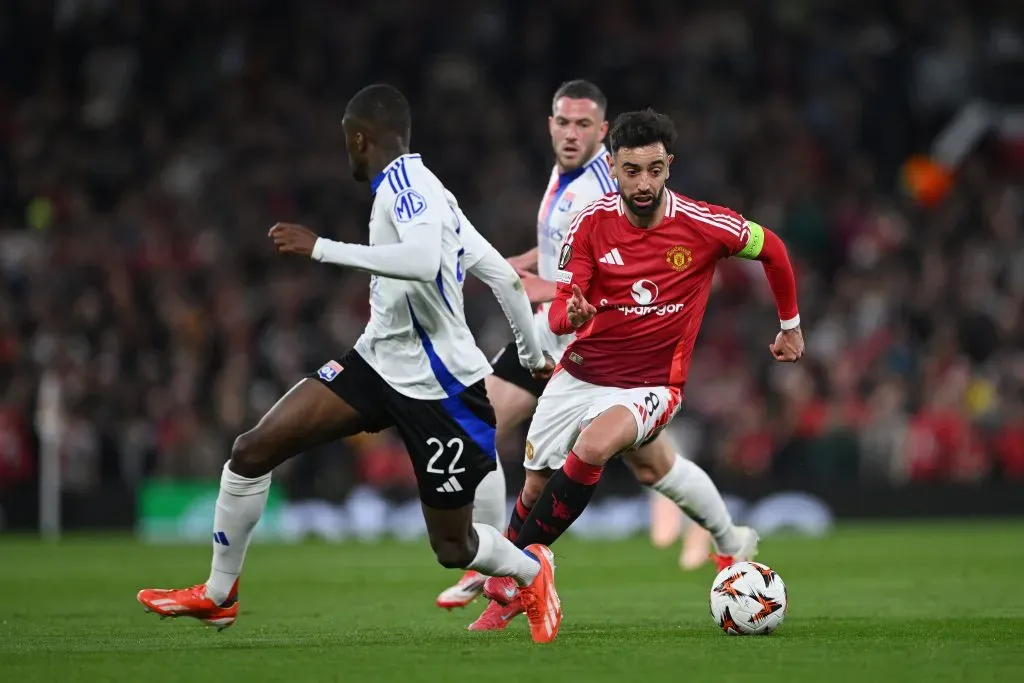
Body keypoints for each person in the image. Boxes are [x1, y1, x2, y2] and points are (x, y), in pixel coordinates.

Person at [136, 83, 563, 644]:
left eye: (347, 143)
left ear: (360, 140)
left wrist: (320, 247)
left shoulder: (409, 188)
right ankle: (219, 595)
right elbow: (504, 278)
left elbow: (422, 261)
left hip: (441, 393)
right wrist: (531, 355)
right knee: (252, 450)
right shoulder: (428, 190)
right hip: (375, 364)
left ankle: (531, 570)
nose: (347, 154)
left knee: (453, 547)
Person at [436, 82, 757, 629]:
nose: (571, 133)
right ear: (550, 125)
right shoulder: (568, 179)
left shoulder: (608, 189)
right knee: (479, 425)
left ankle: (498, 563)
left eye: (583, 125)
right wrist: (521, 263)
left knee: (649, 464)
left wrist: (518, 282)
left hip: (592, 346)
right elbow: (558, 250)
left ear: (602, 133)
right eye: (563, 122)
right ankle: (495, 566)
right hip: (553, 338)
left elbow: (592, 282)